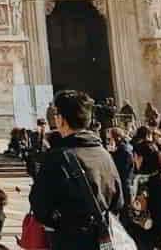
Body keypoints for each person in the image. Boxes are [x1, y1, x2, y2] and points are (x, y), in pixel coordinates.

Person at [28, 90, 123, 250]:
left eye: (56, 113)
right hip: (102, 240)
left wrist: (63, 223)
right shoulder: (103, 154)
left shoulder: (57, 158)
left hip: (70, 241)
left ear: (62, 120)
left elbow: (39, 206)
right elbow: (118, 201)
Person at [119, 142, 161, 250]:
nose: (134, 161)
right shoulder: (155, 177)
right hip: (148, 235)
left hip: (150, 238)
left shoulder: (155, 182)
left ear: (141, 158)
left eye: (135, 157)